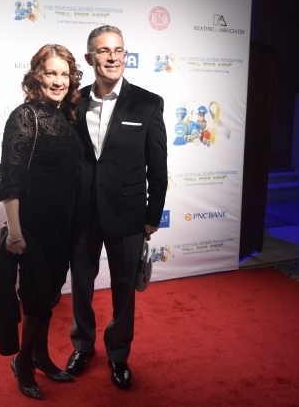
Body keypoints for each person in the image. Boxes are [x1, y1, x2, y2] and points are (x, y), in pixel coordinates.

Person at [66, 25, 168, 389]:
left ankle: (119, 354)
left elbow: (158, 167)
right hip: (81, 213)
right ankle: (82, 345)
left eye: (119, 50)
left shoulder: (147, 103)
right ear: (89, 57)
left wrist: (153, 216)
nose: (113, 57)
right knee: (81, 286)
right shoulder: (72, 102)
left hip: (127, 213)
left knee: (124, 289)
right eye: (104, 51)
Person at [0, 44, 84, 400]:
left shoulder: (65, 116)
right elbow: (11, 177)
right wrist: (15, 232)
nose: (58, 81)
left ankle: (39, 354)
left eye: (64, 74)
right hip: (34, 225)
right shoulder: (26, 117)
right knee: (39, 298)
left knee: (51, 293)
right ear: (36, 76)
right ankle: (22, 362)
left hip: (62, 223)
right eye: (50, 73)